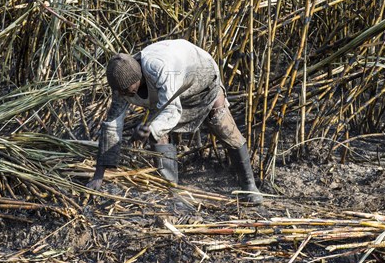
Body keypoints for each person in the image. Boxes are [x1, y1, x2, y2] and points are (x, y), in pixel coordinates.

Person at [87, 39, 263, 205]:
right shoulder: (121, 84)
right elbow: (112, 125)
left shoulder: (159, 69)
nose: (124, 95)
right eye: (120, 92)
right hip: (172, 93)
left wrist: (149, 128)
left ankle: (249, 186)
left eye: (127, 90)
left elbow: (172, 111)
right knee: (158, 133)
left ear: (138, 79)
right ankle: (173, 194)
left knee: (221, 123)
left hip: (201, 79)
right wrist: (99, 174)